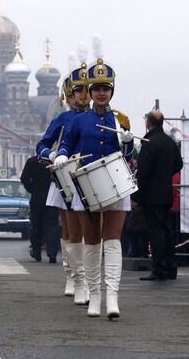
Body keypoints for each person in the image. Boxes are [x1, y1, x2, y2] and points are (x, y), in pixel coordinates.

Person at [55, 56, 134, 319]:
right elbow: (67, 144)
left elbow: (129, 151)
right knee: (91, 242)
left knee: (112, 241)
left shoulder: (120, 118)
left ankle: (112, 296)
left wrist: (126, 140)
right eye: (97, 89)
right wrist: (62, 156)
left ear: (111, 91)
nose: (101, 93)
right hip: (86, 185)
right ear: (90, 92)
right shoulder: (79, 120)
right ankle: (94, 295)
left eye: (106, 89)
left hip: (115, 184)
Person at [36, 63, 91, 304]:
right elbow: (43, 144)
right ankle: (73, 275)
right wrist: (51, 154)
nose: (82, 96)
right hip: (66, 177)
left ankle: (88, 278)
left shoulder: (96, 116)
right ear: (69, 96)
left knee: (90, 230)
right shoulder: (63, 118)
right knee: (70, 231)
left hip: (90, 177)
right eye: (77, 92)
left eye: (85, 91)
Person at [134, 110, 183, 281]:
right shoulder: (170, 142)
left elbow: (143, 172)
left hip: (151, 195)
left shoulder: (148, 142)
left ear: (148, 122)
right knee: (167, 231)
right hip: (166, 193)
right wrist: (164, 175)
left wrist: (137, 195)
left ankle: (159, 269)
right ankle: (171, 267)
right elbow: (179, 165)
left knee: (156, 233)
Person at [20, 155, 59, 263]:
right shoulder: (54, 161)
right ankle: (52, 254)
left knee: (35, 225)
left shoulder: (32, 161)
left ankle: (37, 253)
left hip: (36, 197)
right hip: (52, 198)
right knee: (52, 226)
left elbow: (24, 178)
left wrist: (33, 189)